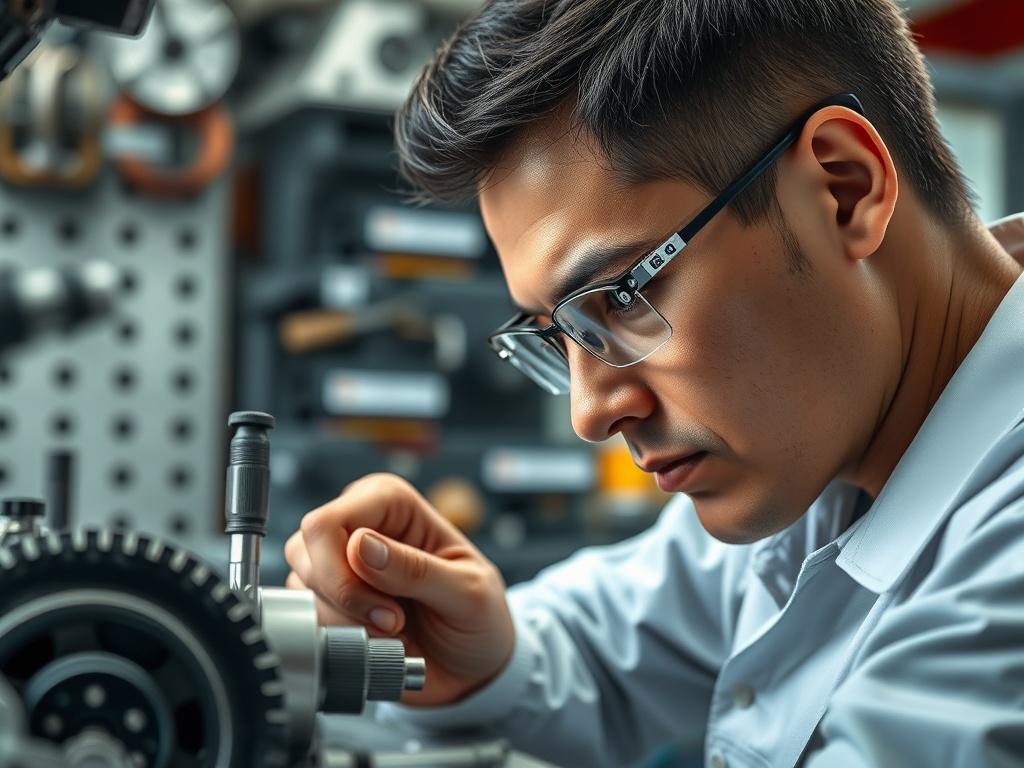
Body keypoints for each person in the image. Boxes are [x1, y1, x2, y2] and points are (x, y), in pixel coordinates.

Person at [284, 1, 1024, 765]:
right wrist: (481, 656)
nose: (590, 413)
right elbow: (617, 633)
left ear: (843, 188)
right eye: (560, 335)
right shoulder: (833, 435)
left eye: (622, 299)